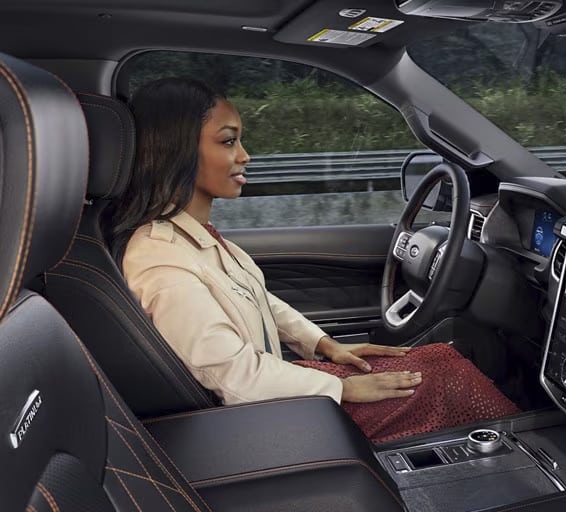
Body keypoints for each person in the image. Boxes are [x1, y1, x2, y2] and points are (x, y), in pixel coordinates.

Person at [109, 78, 518, 442]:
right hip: (265, 422)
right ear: (177, 150)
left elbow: (259, 299)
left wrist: (324, 345)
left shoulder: (191, 237)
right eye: (228, 141)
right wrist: (342, 388)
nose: (245, 156)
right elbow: (233, 377)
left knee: (441, 359)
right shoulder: (160, 261)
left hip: (274, 394)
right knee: (449, 380)